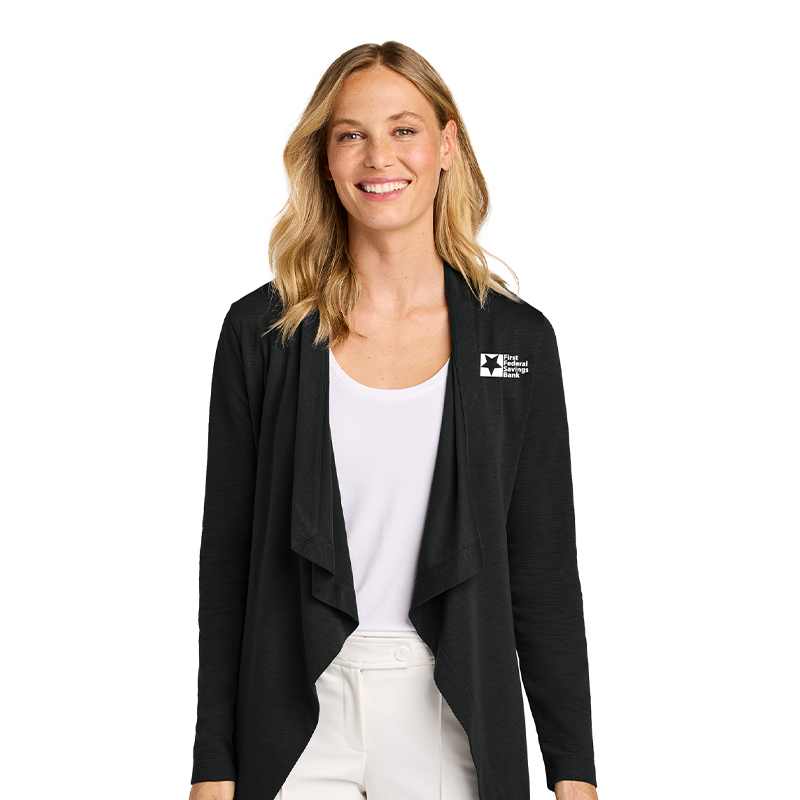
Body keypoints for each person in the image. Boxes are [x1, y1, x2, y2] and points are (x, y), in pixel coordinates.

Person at [189, 41, 598, 800]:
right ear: (325, 157)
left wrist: (572, 767)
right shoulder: (262, 333)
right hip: (292, 712)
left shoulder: (517, 341)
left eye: (404, 129)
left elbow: (541, 564)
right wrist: (213, 759)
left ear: (447, 144)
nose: (380, 157)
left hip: (450, 711)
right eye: (352, 134)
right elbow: (228, 557)